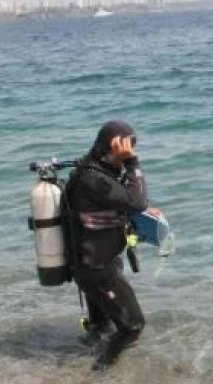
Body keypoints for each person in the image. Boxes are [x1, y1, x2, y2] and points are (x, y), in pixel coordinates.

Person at [64, 120, 151, 371]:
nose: (130, 153)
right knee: (133, 326)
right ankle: (99, 375)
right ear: (115, 146)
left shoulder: (94, 171)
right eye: (127, 148)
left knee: (100, 328)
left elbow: (125, 200)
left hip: (90, 264)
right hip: (97, 269)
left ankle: (81, 372)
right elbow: (137, 203)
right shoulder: (93, 179)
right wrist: (133, 164)